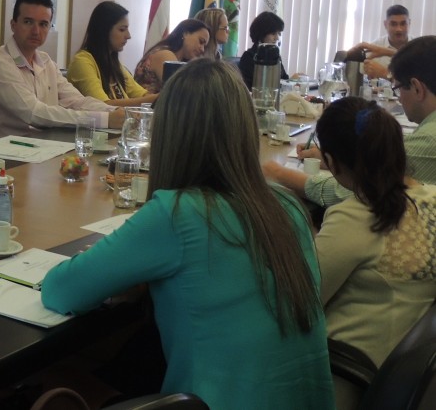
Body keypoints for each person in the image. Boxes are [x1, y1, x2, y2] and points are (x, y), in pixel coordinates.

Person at [40, 59, 333, 409]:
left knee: (49, 381)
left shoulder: (177, 213)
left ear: (168, 135)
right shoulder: (289, 207)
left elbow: (60, 290)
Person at [312, 97, 436, 406]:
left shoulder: (355, 218)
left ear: (331, 162)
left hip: (345, 382)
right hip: (406, 379)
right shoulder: (433, 199)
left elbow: (297, 304)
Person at [263, 36, 436, 208]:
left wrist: (279, 173)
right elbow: (376, 166)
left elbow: (356, 191)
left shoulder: (427, 141)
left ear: (417, 88)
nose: (399, 98)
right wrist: (339, 160)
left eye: (397, 88)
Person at [0, 0, 124, 138]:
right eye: (28, 22)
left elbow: (76, 101)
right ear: (13, 25)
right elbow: (34, 113)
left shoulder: (46, 61)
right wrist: (105, 120)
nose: (36, 31)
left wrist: (117, 112)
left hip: (48, 143)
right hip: (8, 149)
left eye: (43, 24)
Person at [66, 1, 158, 106]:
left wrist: (160, 97)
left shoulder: (113, 62)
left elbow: (141, 95)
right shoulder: (82, 62)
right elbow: (103, 105)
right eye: (122, 29)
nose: (128, 36)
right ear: (104, 30)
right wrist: (156, 99)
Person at [132, 18, 210, 94]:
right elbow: (180, 93)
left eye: (204, 46)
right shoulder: (165, 55)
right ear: (186, 33)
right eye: (201, 41)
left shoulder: (176, 58)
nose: (202, 49)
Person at [349, 4, 412, 80]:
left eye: (403, 24)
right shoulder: (373, 49)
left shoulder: (419, 46)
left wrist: (384, 72)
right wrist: (350, 56)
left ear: (409, 23)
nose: (399, 29)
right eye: (393, 24)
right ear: (385, 24)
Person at [238, 11, 289, 88]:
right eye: (273, 34)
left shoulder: (275, 55)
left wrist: (293, 80)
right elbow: (249, 87)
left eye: (278, 33)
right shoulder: (248, 57)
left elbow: (284, 79)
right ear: (262, 34)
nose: (277, 38)